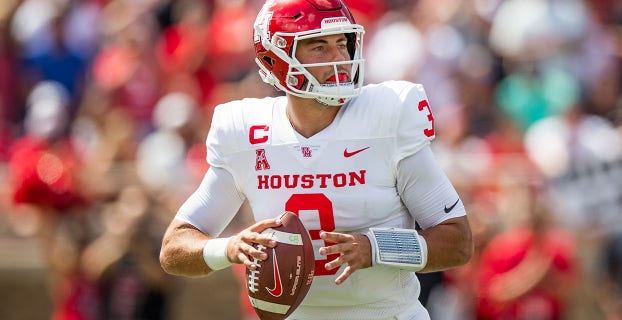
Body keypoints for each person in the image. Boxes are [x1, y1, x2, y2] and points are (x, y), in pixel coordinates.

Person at [159, 0, 473, 319]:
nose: (339, 58)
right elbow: (174, 248)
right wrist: (228, 249)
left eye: (342, 43)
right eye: (319, 47)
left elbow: (457, 240)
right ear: (274, 58)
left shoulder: (387, 116)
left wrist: (377, 248)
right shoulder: (246, 132)